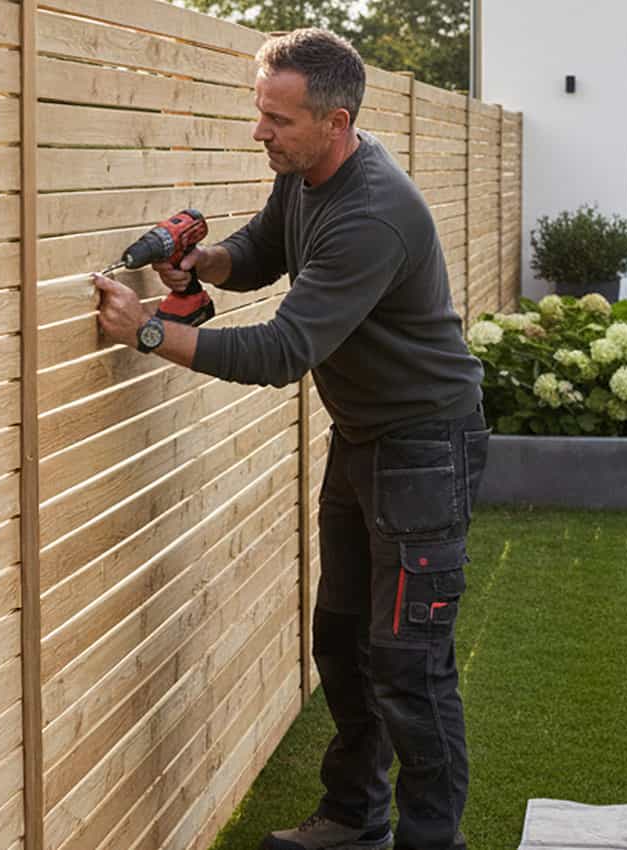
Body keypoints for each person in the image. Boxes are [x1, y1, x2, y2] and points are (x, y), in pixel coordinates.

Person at [95, 28, 489, 850]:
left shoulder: (373, 213)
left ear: (336, 122)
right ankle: (353, 818)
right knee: (341, 641)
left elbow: (282, 352)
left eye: (277, 119)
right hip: (365, 438)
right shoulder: (306, 174)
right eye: (260, 111)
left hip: (423, 449)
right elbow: (265, 248)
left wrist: (148, 333)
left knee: (410, 664)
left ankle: (430, 842)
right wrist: (204, 264)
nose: (259, 132)